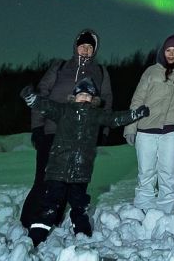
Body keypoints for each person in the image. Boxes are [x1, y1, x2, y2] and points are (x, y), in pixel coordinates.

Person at [20, 78, 148, 247]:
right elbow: (46, 106)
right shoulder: (64, 111)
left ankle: (83, 236)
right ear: (74, 96)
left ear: (93, 99)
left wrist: (134, 114)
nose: (84, 98)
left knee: (79, 205)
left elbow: (114, 118)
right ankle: (35, 237)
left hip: (81, 170)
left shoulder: (95, 114)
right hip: (58, 168)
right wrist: (31, 98)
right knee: (50, 204)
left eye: (88, 96)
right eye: (81, 94)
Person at [20, 29, 113, 229]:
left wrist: (103, 131)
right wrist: (37, 126)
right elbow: (41, 94)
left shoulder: (100, 71)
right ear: (75, 47)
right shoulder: (60, 66)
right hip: (52, 130)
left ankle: (53, 219)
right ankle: (29, 220)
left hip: (81, 136)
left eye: (90, 47)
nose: (85, 50)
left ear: (94, 50)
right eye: (82, 46)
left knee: (70, 180)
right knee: (45, 176)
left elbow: (106, 101)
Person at [123, 34, 174, 212]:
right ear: (163, 51)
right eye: (168, 50)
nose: (171, 54)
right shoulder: (151, 71)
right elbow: (137, 100)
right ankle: (143, 207)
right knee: (146, 171)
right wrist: (130, 127)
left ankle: (167, 208)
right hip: (145, 129)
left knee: (168, 171)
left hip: (172, 130)